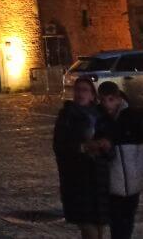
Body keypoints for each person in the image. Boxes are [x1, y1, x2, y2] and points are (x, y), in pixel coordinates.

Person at [53, 77, 110, 239]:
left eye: (85, 90)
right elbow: (60, 146)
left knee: (99, 224)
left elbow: (111, 140)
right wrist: (83, 147)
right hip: (77, 177)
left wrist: (106, 145)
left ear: (93, 95)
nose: (80, 93)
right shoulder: (67, 116)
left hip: (99, 176)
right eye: (77, 90)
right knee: (86, 223)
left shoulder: (100, 115)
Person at [98, 81, 143, 239]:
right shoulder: (100, 119)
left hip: (131, 181)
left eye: (111, 99)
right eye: (103, 100)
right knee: (116, 224)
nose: (107, 104)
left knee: (127, 223)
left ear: (119, 98)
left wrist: (138, 175)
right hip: (112, 183)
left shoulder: (132, 117)